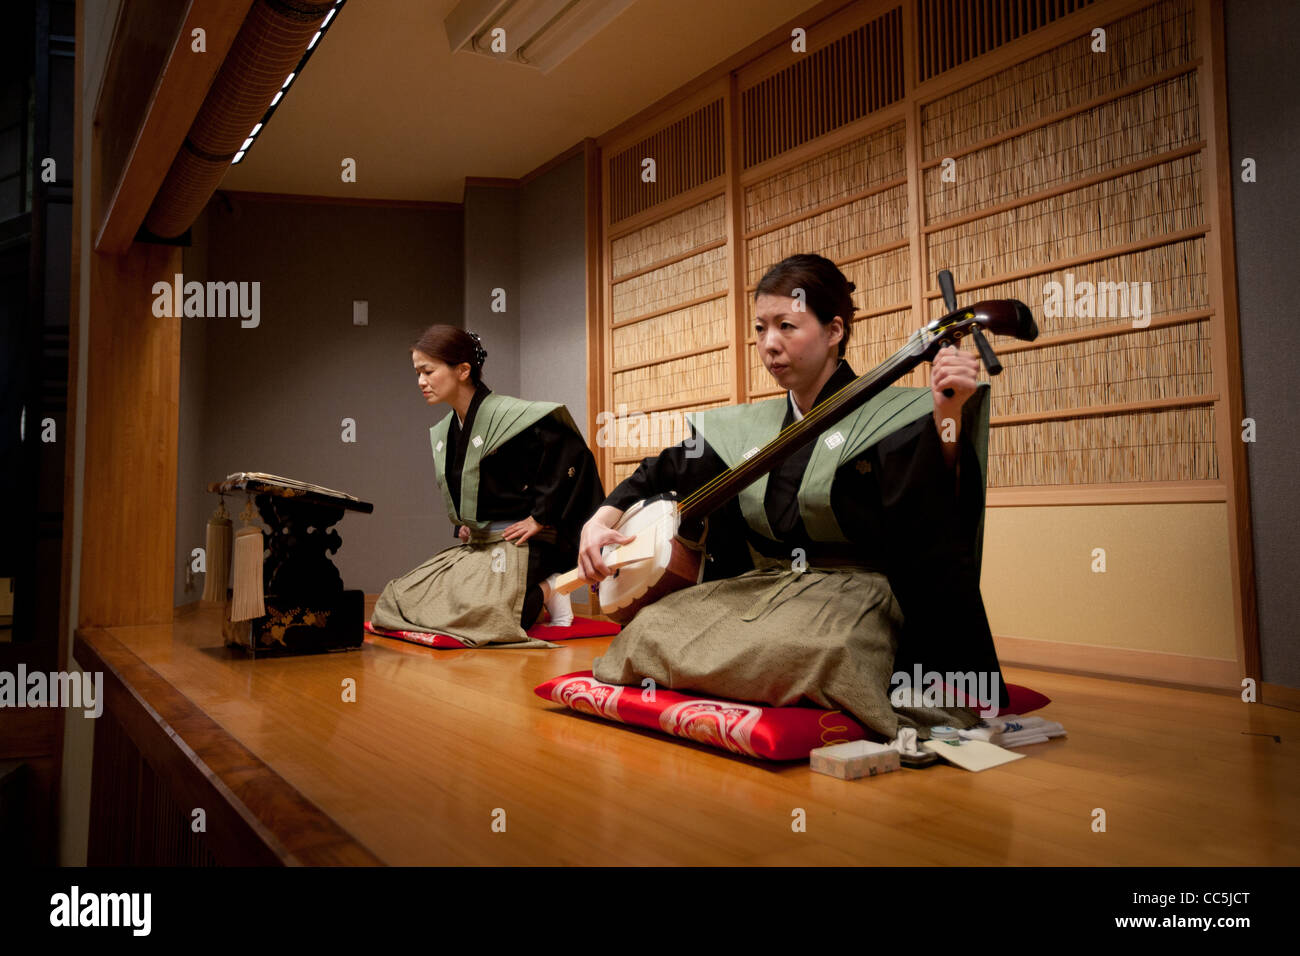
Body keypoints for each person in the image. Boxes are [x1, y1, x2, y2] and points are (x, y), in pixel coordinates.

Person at [577, 254, 1008, 739]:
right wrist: (600, 517)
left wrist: (947, 414)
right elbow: (662, 470)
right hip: (767, 588)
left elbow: (932, 511)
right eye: (760, 329)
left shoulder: (895, 416)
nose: (769, 344)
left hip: (859, 594)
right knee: (649, 632)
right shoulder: (748, 428)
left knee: (815, 653)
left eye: (787, 326)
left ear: (834, 331)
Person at [372, 326, 605, 648]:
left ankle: (550, 588)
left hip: (525, 545)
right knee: (403, 597)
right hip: (482, 545)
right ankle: (530, 594)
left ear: (463, 370)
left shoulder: (515, 417)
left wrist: (541, 515)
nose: (420, 382)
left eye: (428, 371)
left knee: (483, 614)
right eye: (417, 373)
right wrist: (467, 523)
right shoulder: (448, 429)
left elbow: (574, 456)